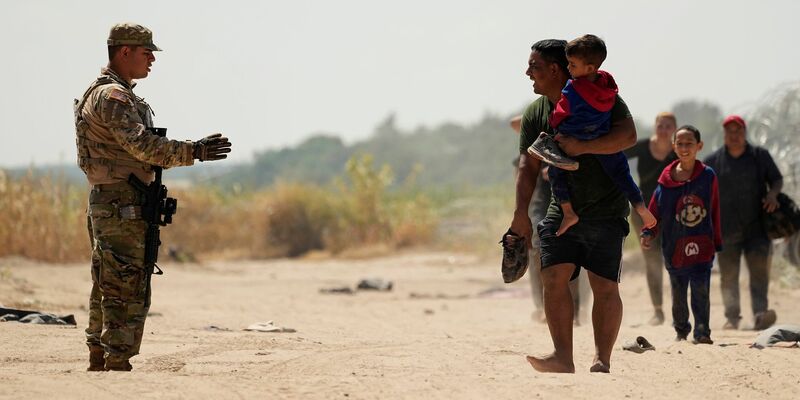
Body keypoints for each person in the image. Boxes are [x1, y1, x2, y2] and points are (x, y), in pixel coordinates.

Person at [75, 23, 232, 371]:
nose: (152, 59)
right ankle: (115, 358)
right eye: (146, 52)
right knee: (124, 280)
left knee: (110, 277)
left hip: (116, 201)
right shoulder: (112, 97)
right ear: (123, 52)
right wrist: (195, 152)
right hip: (120, 204)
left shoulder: (116, 94)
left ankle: (102, 353)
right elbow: (142, 146)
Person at [509, 38, 637, 374]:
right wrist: (520, 215)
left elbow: (628, 136)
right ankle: (563, 357)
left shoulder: (601, 96)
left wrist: (583, 146)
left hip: (606, 207)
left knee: (604, 285)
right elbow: (528, 167)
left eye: (533, 67)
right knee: (553, 275)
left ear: (554, 69)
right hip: (561, 205)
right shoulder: (536, 112)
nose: (527, 73)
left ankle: (602, 358)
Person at [527, 35, 655, 237]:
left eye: (572, 64)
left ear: (588, 68)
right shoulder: (607, 85)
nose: (569, 69)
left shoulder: (572, 89)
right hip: (602, 134)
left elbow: (562, 111)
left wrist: (555, 123)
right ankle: (641, 207)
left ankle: (568, 212)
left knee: (554, 171)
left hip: (573, 136)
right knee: (623, 174)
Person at [641, 125, 722, 344]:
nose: (685, 148)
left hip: (702, 245)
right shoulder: (666, 179)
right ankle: (681, 330)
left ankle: (702, 331)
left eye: (689, 144)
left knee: (701, 289)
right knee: (678, 292)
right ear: (673, 146)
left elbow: (714, 209)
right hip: (674, 247)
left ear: (699, 146)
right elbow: (654, 210)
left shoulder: (707, 176)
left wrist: (717, 241)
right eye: (680, 144)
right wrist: (648, 231)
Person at [703, 115, 782, 331]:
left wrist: (773, 195)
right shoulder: (713, 161)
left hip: (757, 228)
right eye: (730, 132)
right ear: (724, 135)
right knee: (728, 276)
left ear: (745, 133)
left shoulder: (759, 156)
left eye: (738, 131)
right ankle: (732, 317)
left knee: (759, 274)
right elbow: (702, 189)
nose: (734, 136)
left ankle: (759, 315)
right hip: (725, 229)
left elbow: (776, 179)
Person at [510, 116, 588, 326]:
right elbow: (514, 123)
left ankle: (575, 311)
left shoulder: (565, 143)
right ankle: (542, 307)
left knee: (571, 258)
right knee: (536, 255)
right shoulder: (529, 151)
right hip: (538, 208)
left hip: (568, 206)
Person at [624, 112, 678, 325]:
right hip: (643, 211)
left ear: (674, 128)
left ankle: (678, 309)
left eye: (668, 126)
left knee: (675, 260)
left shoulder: (679, 151)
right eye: (660, 125)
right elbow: (615, 156)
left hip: (672, 213)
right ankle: (658, 310)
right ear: (655, 127)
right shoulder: (643, 146)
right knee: (652, 260)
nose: (663, 129)